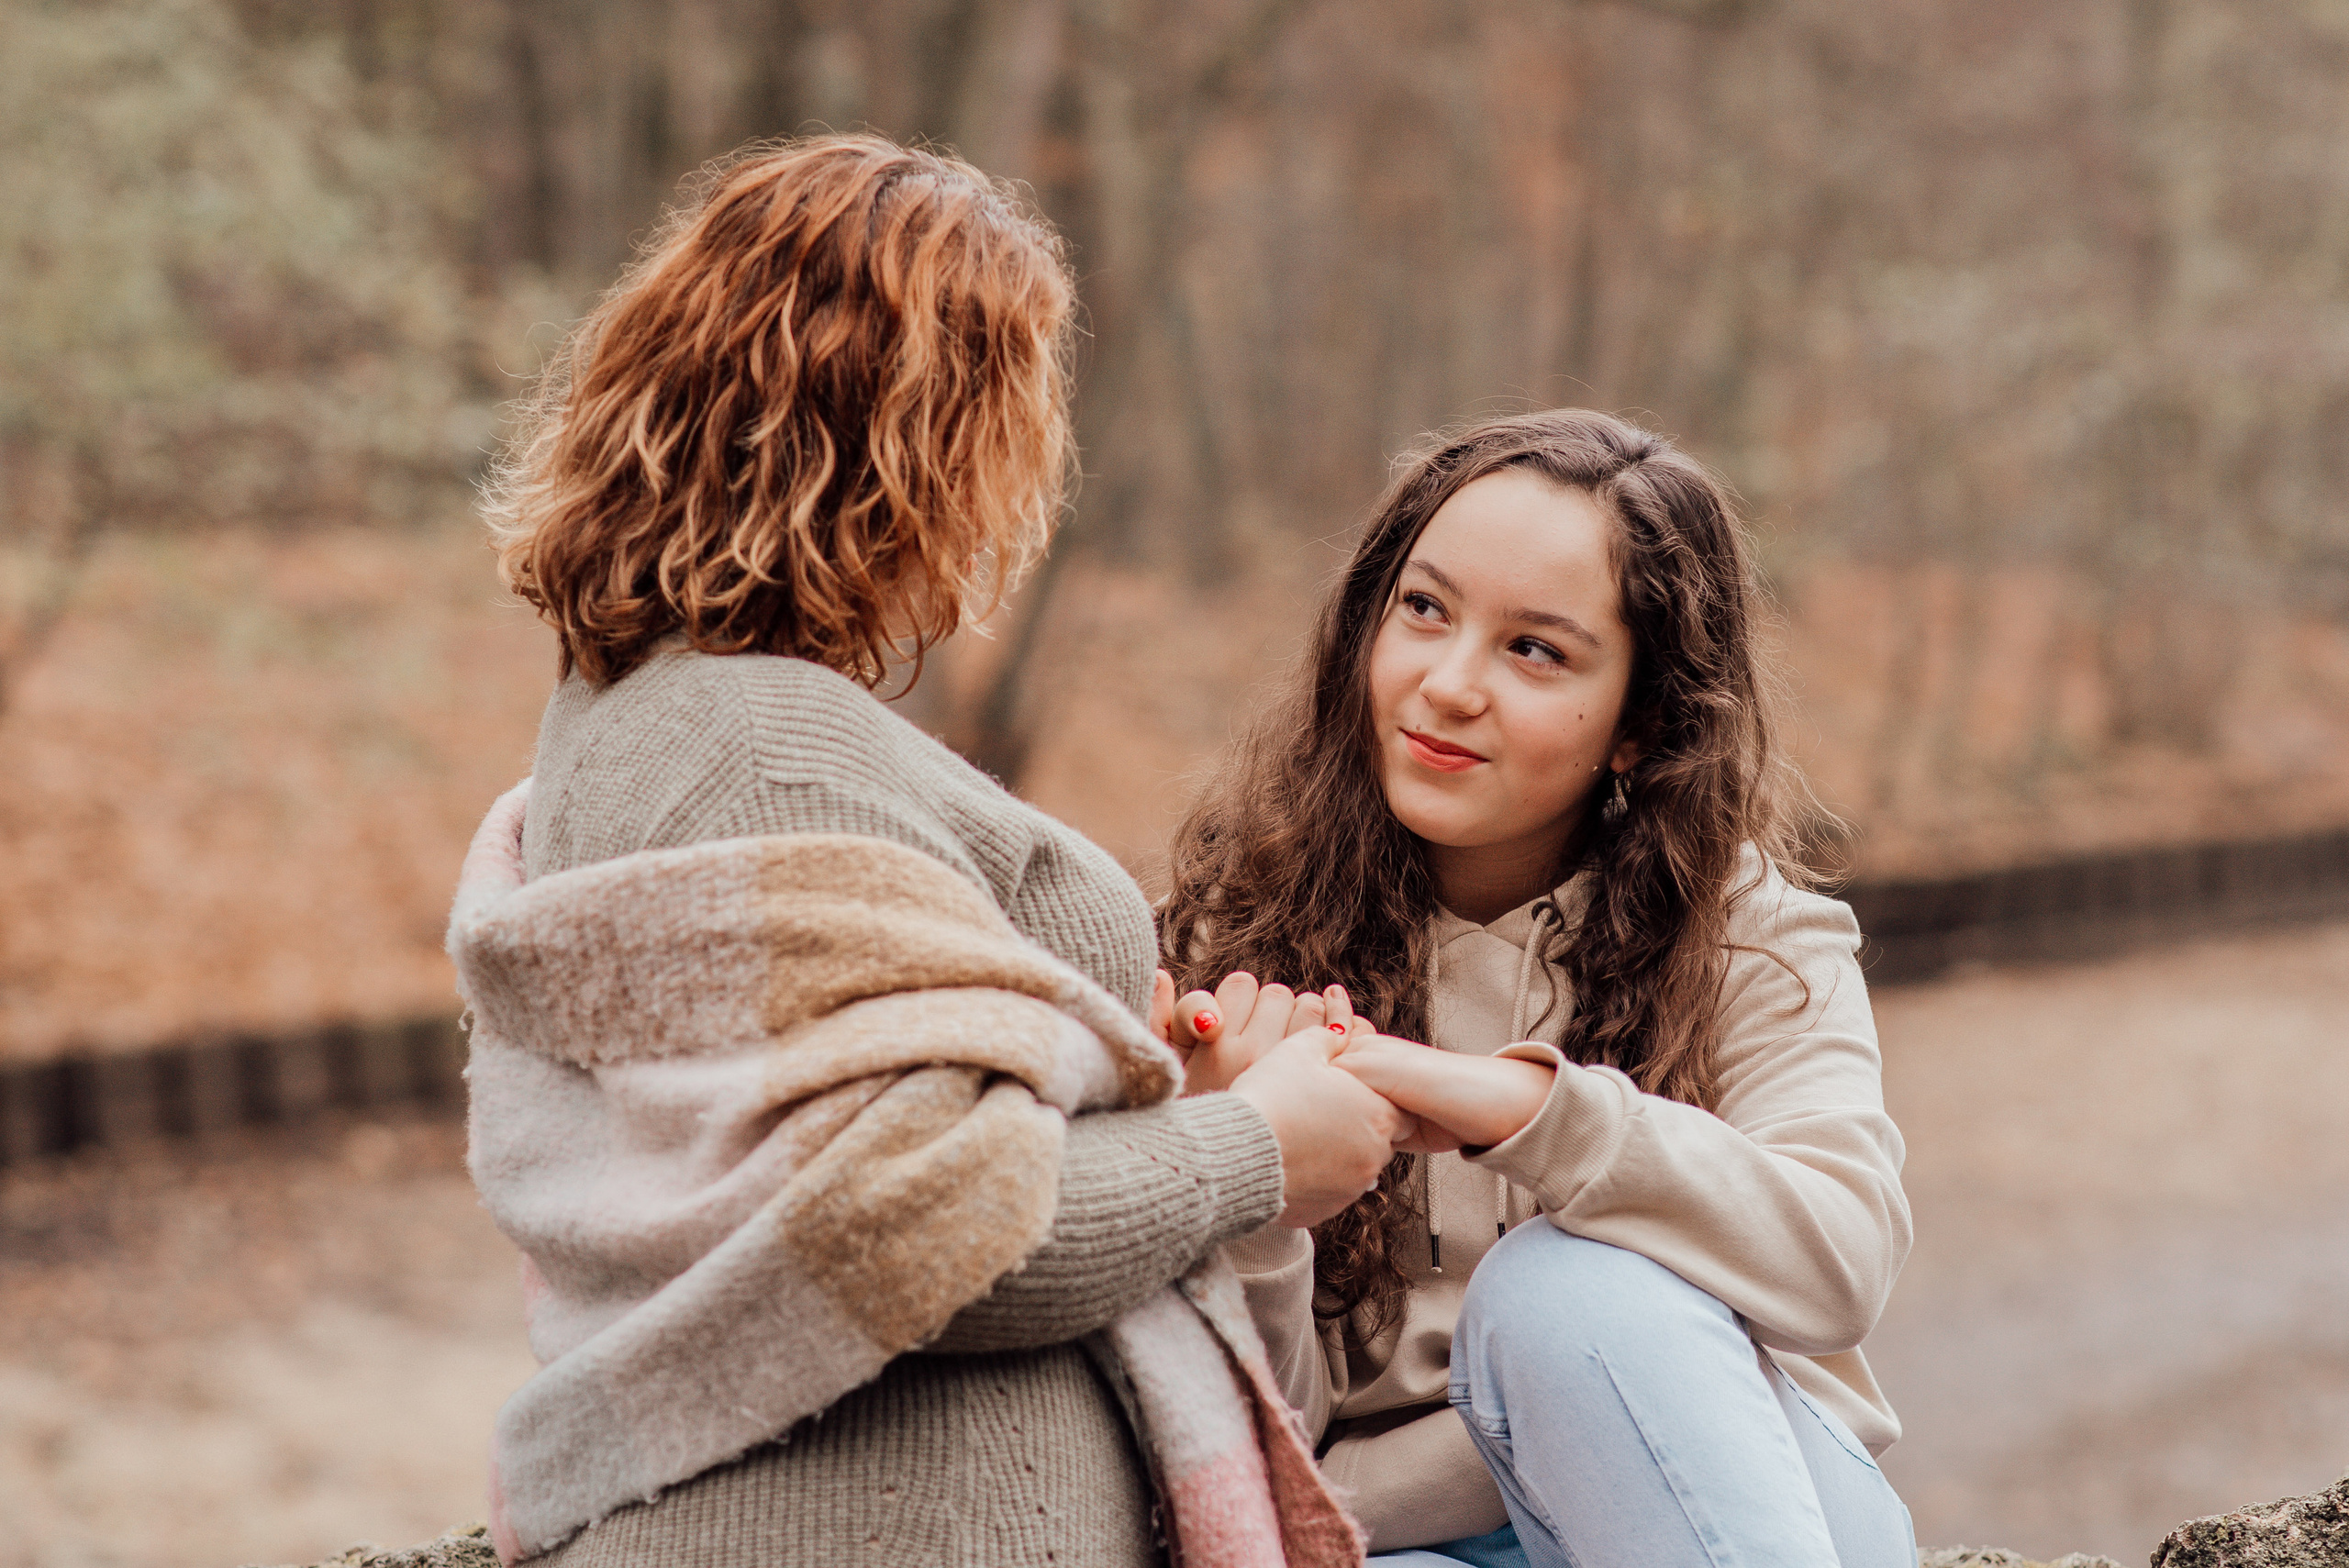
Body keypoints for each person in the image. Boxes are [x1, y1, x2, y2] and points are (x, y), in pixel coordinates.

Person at [457, 132, 1406, 1568]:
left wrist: (1125, 1074)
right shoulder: (759, 750)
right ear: (921, 442)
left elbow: (865, 1143)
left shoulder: (653, 717)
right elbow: (920, 1234)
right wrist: (1253, 1148)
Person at [1157, 409, 1917, 1568]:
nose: (1448, 684)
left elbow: (1839, 1262)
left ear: (1641, 721)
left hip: (1743, 1503)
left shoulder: (1751, 939)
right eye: (1424, 609)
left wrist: (1522, 1110)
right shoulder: (1237, 946)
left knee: (1566, 1290)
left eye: (1535, 650)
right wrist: (1251, 1182)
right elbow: (1273, 1461)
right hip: (1415, 1551)